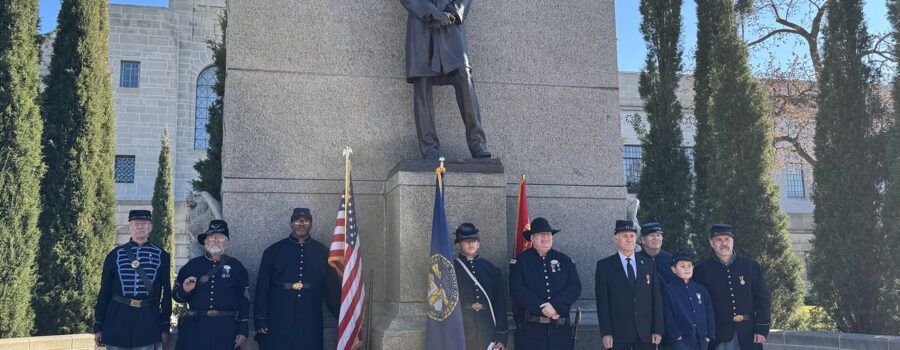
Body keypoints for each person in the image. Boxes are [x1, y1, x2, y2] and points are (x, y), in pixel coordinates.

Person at [399, 0, 491, 160]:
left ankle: (478, 143)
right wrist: (432, 12)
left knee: (463, 75)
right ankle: (429, 149)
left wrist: (455, 12)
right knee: (422, 82)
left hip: (451, 24)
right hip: (422, 25)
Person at [254, 208, 341, 349]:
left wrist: (343, 316)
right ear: (291, 224)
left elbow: (332, 289)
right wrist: (261, 319)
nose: (301, 224)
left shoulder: (322, 252)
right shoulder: (273, 251)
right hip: (279, 311)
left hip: (310, 312)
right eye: (297, 221)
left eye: (306, 221)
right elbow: (262, 288)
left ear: (311, 224)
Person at [94, 210, 172, 350]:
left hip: (147, 320)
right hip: (116, 319)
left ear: (150, 227)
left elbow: (167, 293)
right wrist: (99, 325)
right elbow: (104, 291)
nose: (140, 227)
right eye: (136, 224)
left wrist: (164, 326)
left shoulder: (162, 255)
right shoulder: (114, 255)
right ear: (129, 228)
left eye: (144, 224)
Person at [172, 220, 250, 349]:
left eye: (220, 238)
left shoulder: (237, 267)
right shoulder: (191, 266)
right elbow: (176, 296)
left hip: (226, 329)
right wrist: (185, 291)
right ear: (206, 242)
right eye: (212, 237)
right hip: (196, 329)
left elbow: (244, 301)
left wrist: (243, 329)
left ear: (227, 243)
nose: (216, 241)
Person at [693, 224, 771, 350]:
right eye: (719, 240)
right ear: (711, 243)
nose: (724, 243)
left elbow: (763, 299)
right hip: (719, 334)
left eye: (727, 239)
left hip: (749, 333)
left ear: (733, 241)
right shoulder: (701, 271)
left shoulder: (750, 266)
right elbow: (699, 306)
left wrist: (761, 328)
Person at [509, 217, 581, 350]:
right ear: (532, 238)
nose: (546, 237)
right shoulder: (520, 261)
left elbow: (575, 287)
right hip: (531, 331)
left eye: (548, 234)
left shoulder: (564, 260)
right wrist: (542, 308)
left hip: (560, 330)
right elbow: (517, 289)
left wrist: (556, 306)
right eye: (541, 234)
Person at [594, 220, 663, 350]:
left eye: (632, 236)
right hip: (618, 333)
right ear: (615, 239)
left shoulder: (649, 264)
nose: (629, 239)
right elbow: (602, 303)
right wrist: (606, 332)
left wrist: (657, 329)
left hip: (645, 332)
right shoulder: (604, 266)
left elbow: (656, 299)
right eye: (625, 236)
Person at [452, 223, 508, 349]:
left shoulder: (491, 270)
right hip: (462, 328)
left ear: (478, 244)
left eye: (474, 240)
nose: (471, 244)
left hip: (487, 328)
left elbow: (499, 304)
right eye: (466, 241)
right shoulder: (451, 270)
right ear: (458, 245)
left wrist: (501, 336)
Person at [662, 253, 715, 350]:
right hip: (681, 341)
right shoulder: (669, 290)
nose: (687, 269)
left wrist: (709, 335)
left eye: (689, 266)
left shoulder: (701, 289)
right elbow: (667, 315)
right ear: (674, 269)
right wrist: (676, 335)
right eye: (682, 266)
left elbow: (709, 313)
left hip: (702, 340)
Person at [637, 222, 679, 287]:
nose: (656, 238)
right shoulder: (635, 259)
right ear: (643, 240)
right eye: (652, 235)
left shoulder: (671, 260)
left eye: (658, 235)